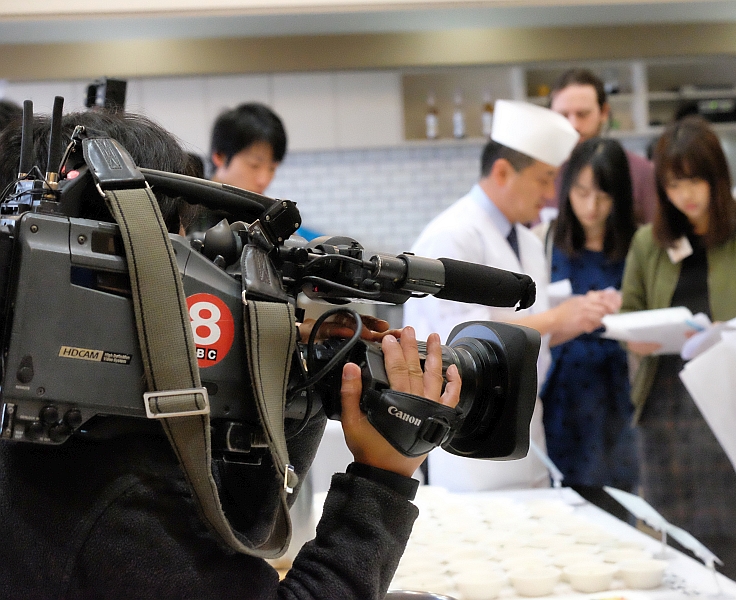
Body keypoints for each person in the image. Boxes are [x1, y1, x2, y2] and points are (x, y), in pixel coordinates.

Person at [0, 109, 462, 599]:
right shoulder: (115, 496)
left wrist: (287, 369)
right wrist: (383, 481)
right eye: (179, 255)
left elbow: (237, 531)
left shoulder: (61, 424)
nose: (198, 283)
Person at [404, 99, 617, 492]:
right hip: (472, 427)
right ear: (503, 171)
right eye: (544, 179)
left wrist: (580, 316)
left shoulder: (528, 240)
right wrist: (556, 318)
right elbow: (461, 344)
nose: (551, 193)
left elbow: (535, 337)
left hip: (527, 424)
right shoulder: (453, 234)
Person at [620, 116, 736, 589]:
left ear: (717, 177)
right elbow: (629, 311)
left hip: (730, 407)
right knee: (675, 546)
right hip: (665, 410)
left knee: (732, 547)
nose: (686, 194)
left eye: (695, 179)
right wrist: (638, 335)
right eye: (674, 183)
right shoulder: (648, 243)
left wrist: (725, 332)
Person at [538, 137, 638, 520]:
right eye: (581, 193)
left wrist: (626, 308)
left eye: (603, 196)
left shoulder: (640, 244)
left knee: (618, 510)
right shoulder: (546, 241)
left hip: (619, 394)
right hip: (560, 393)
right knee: (562, 512)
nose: (591, 207)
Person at [548, 69, 659, 225]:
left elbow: (659, 237)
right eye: (563, 116)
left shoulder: (640, 172)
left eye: (583, 114)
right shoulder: (538, 174)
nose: (573, 125)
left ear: (604, 112)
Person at [210, 102, 286, 195]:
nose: (263, 181)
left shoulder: (261, 208)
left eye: (272, 168)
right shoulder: (193, 206)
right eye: (254, 166)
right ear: (220, 157)